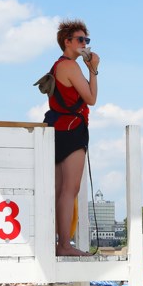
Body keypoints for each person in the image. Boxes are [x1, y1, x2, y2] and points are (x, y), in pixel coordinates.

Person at [46, 19, 99, 256]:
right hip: (72, 129)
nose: (84, 44)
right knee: (70, 189)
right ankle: (65, 244)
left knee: (58, 189)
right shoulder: (70, 66)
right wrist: (93, 69)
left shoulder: (58, 66)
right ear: (67, 42)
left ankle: (59, 242)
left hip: (55, 128)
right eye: (80, 40)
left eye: (86, 40)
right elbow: (90, 98)